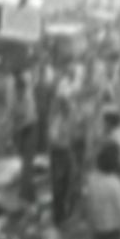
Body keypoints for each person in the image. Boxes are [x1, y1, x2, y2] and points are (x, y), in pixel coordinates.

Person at [47, 94, 76, 227]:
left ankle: (62, 215)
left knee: (66, 185)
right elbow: (53, 140)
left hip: (65, 153)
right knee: (58, 186)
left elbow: (70, 136)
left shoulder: (68, 119)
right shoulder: (57, 120)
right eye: (65, 107)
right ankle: (58, 217)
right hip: (59, 154)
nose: (67, 109)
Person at [12, 72, 39, 201]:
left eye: (20, 90)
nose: (19, 93)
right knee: (24, 164)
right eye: (17, 90)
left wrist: (17, 127)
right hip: (21, 134)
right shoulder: (15, 99)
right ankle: (28, 192)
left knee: (27, 165)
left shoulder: (29, 100)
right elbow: (11, 115)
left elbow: (29, 119)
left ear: (24, 89)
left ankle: (26, 194)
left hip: (30, 131)